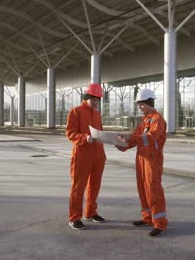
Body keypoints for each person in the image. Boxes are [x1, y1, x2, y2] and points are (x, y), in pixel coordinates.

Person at [117, 88, 168, 237]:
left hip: (153, 161)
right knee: (143, 190)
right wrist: (123, 146)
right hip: (142, 160)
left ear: (149, 103)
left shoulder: (158, 119)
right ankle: (147, 218)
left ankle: (160, 223)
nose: (140, 107)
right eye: (139, 104)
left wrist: (129, 139)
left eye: (142, 104)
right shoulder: (144, 121)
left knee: (154, 191)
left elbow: (150, 138)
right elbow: (136, 136)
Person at [66, 83, 107, 230]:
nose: (96, 102)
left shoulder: (97, 114)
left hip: (98, 155)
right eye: (93, 98)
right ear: (87, 97)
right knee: (78, 187)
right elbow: (70, 133)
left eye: (98, 99)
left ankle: (90, 212)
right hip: (82, 154)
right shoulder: (76, 112)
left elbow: (100, 133)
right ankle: (74, 217)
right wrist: (85, 138)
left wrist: (108, 138)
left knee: (94, 186)